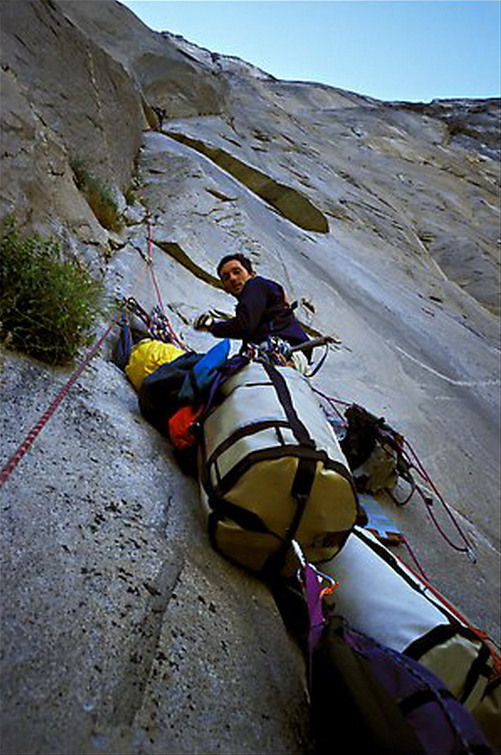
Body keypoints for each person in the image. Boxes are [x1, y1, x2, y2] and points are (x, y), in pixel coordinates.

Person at [193, 254, 310, 353]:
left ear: (251, 274)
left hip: (284, 348)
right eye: (226, 277)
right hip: (291, 349)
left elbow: (244, 326)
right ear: (225, 288)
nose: (232, 278)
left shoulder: (255, 285)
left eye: (237, 272)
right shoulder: (259, 301)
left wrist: (213, 327)